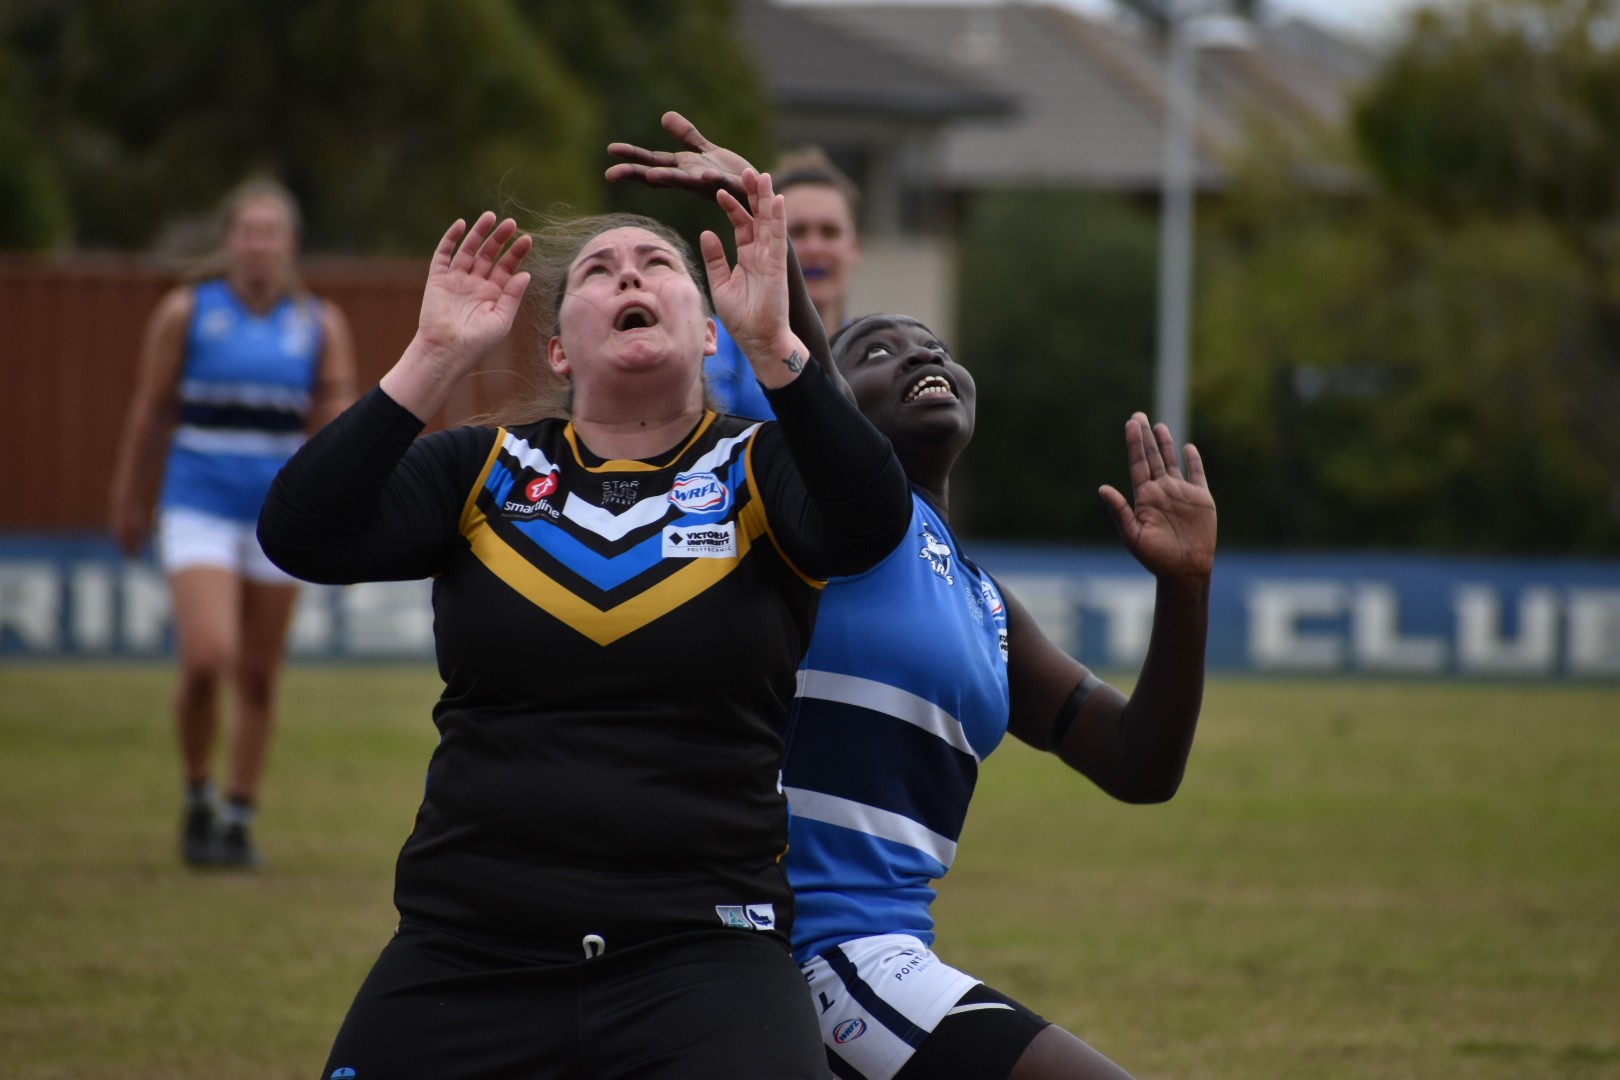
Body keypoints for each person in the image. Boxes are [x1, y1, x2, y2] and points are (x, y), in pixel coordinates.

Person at [256, 169, 912, 1078]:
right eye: (600, 272)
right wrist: (432, 357)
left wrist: (779, 349)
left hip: (704, 955)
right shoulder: (480, 470)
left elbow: (873, 521)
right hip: (470, 951)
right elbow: (300, 533)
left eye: (657, 264)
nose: (631, 278)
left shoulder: (763, 466)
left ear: (709, 327)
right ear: (558, 349)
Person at [608, 118, 1217, 1080]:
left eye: (931, 343)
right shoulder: (829, 529)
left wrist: (1187, 592)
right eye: (879, 351)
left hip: (886, 957)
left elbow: (1143, 764)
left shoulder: (983, 602)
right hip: (811, 957)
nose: (918, 352)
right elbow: (807, 389)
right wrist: (769, 232)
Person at [109, 179, 356, 868]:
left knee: (259, 674)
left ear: (291, 245)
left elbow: (338, 430)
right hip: (197, 505)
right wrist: (129, 497)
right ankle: (196, 794)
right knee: (207, 657)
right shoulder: (187, 312)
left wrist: (343, 509)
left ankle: (239, 816)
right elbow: (150, 411)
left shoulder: (319, 323)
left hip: (279, 517)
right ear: (228, 241)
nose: (258, 244)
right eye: (247, 231)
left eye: (270, 232)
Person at [621, 138, 861, 421]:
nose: (814, 248)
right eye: (796, 231)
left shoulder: (870, 347)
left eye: (830, 232)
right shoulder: (711, 342)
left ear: (856, 248)